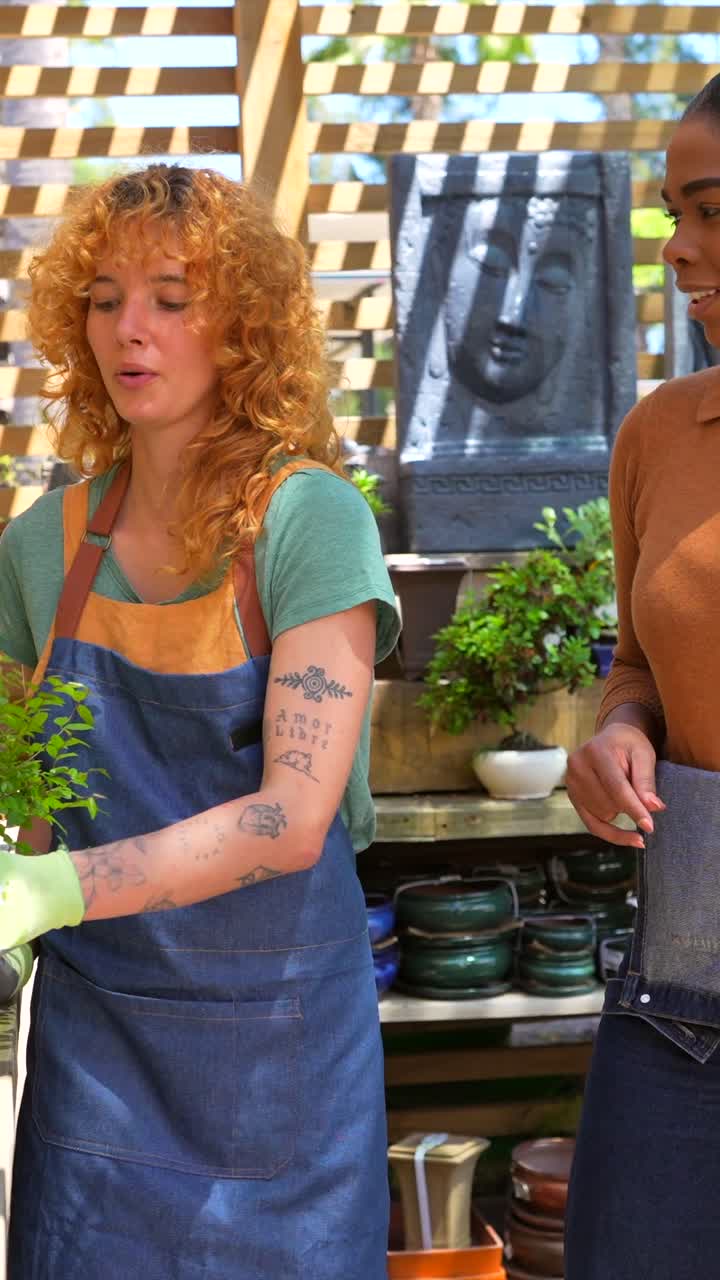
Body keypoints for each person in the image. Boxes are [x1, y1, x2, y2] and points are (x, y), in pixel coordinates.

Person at [0, 163, 401, 1279]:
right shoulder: (43, 550)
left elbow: (289, 817)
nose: (131, 329)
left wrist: (57, 889)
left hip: (280, 1078)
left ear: (243, 328)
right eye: (104, 297)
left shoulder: (308, 521)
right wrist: (16, 873)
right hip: (100, 1081)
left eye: (173, 298)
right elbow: (22, 804)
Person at [563, 73, 720, 1279]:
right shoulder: (659, 434)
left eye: (712, 209)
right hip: (683, 984)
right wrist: (619, 723)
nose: (684, 251)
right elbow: (640, 660)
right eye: (677, 213)